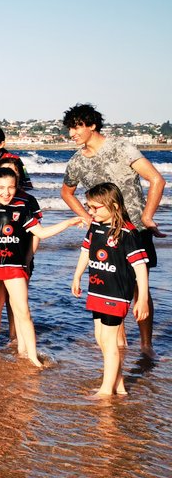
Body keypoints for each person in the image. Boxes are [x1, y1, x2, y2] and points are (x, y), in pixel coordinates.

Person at [0, 167, 82, 367]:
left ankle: (32, 356)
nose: (6, 192)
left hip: (14, 267)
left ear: (16, 187)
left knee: (23, 312)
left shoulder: (22, 207)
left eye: (11, 187)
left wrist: (68, 222)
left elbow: (41, 233)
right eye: (1, 187)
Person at [62, 102, 165, 359]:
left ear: (92, 125)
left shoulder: (121, 148)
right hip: (104, 234)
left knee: (139, 287)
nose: (72, 133)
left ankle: (146, 345)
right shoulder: (77, 161)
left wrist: (147, 217)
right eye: (70, 129)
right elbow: (66, 192)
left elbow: (156, 179)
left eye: (77, 127)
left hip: (134, 230)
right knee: (111, 288)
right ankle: (118, 347)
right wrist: (87, 218)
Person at [71, 183, 150, 398]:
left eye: (95, 208)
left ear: (113, 206)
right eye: (89, 207)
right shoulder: (95, 227)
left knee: (109, 340)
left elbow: (140, 267)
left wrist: (142, 299)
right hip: (97, 289)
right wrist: (77, 275)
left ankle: (106, 391)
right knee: (100, 338)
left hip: (116, 294)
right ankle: (119, 385)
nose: (90, 212)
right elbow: (86, 251)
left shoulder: (127, 232)